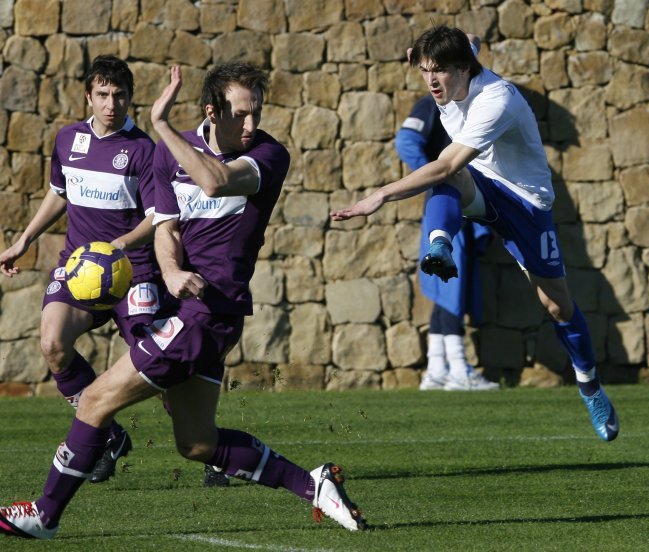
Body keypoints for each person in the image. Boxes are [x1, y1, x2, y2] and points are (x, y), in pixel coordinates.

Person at [0, 62, 367, 539]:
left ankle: (44, 515)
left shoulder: (268, 156)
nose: (252, 124)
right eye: (241, 114)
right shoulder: (170, 155)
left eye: (256, 111)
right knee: (196, 442)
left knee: (94, 400)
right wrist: (170, 270)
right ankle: (312, 484)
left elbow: (215, 181)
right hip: (186, 311)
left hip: (209, 315)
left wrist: (161, 126)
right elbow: (166, 227)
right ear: (213, 112)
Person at [331, 26, 618, 442]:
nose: (431, 81)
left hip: (526, 205)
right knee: (455, 179)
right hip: (482, 186)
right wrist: (430, 52)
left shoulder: (495, 100)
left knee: (557, 306)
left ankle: (589, 385)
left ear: (464, 69)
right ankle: (441, 246)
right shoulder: (454, 76)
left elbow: (445, 165)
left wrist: (379, 196)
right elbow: (465, 47)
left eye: (440, 71)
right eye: (425, 70)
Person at [0, 55, 162, 483]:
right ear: (88, 96)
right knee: (53, 344)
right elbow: (59, 194)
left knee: (163, 366)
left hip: (134, 274)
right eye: (104, 95)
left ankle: (213, 452)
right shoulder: (68, 139)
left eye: (120, 95)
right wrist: (23, 240)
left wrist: (120, 246)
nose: (112, 104)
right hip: (79, 272)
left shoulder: (143, 150)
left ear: (130, 98)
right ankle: (108, 434)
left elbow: (158, 216)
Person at [396, 94, 498, 391]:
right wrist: (436, 176)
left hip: (463, 202)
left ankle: (437, 368)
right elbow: (405, 141)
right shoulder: (430, 104)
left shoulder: (468, 105)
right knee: (452, 283)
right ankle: (458, 370)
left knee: (447, 284)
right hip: (446, 203)